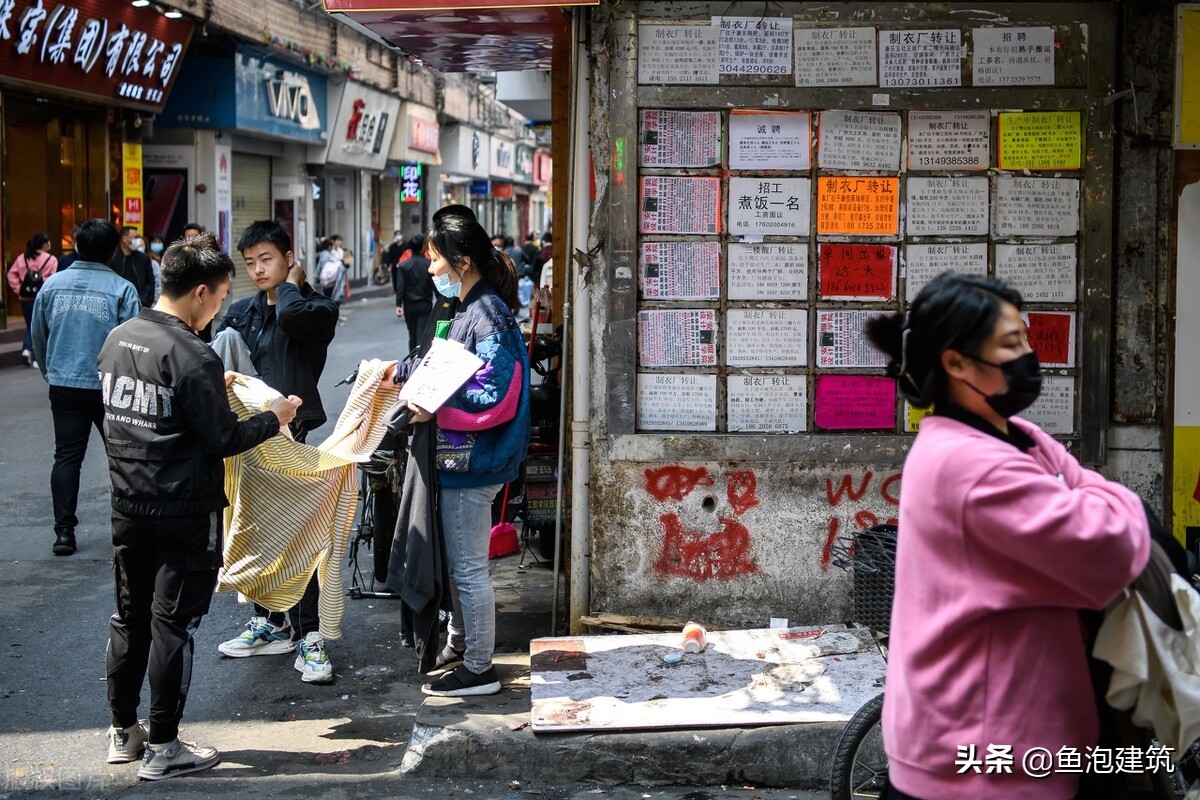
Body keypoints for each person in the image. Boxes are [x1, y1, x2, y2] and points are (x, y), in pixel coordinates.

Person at [863, 271, 1150, 800]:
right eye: (1011, 343)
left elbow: (1082, 485)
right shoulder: (974, 467)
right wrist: (1126, 504)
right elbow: (1109, 548)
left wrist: (1089, 493)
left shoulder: (1012, 437)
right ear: (956, 363)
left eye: (1027, 337)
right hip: (984, 761)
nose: (1028, 356)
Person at [98, 232, 300, 780]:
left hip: (127, 502)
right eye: (219, 298)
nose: (218, 310)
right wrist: (275, 416)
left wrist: (216, 383)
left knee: (129, 617)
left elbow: (154, 407)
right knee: (172, 626)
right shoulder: (192, 353)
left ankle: (123, 732)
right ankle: (164, 746)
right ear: (202, 293)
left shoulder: (119, 339)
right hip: (184, 511)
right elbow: (223, 439)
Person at [397, 211, 530, 698]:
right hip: (461, 460)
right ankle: (463, 644)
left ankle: (479, 669)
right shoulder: (470, 308)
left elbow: (497, 391)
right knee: (462, 564)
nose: (430, 269)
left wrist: (434, 406)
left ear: (462, 261)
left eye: (435, 260)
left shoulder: (486, 312)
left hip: (474, 464)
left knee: (470, 567)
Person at [216, 219, 340, 684]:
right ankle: (273, 623)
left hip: (292, 439)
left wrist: (289, 285)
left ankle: (310, 636)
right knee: (261, 532)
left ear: (290, 259)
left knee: (298, 536)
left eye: (266, 259)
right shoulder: (243, 312)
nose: (257, 270)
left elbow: (290, 318)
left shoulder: (315, 308)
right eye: (250, 263)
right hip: (250, 436)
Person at [30, 220, 139, 556]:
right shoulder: (123, 289)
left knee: (66, 457)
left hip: (64, 382)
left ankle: (64, 533)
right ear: (112, 250)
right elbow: (134, 344)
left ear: (77, 246)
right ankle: (131, 529)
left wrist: (51, 370)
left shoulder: (51, 286)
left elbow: (38, 336)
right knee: (124, 457)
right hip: (112, 385)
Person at [7, 232, 58, 366]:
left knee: (30, 324)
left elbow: (11, 274)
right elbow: (53, 279)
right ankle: (35, 356)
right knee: (39, 326)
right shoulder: (51, 259)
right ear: (44, 244)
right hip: (41, 297)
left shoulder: (22, 258)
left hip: (25, 298)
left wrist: (18, 289)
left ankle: (26, 350)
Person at [393, 235, 433, 355]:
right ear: (423, 247)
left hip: (409, 305)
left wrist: (399, 304)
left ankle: (412, 358)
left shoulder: (404, 265)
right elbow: (435, 285)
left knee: (412, 333)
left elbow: (400, 287)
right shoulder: (428, 264)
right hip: (425, 304)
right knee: (422, 333)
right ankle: (420, 358)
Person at [109, 226, 155, 307]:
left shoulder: (143, 258)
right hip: (117, 303)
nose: (139, 241)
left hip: (140, 304)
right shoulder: (112, 257)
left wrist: (146, 301)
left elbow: (150, 282)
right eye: (135, 238)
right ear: (124, 239)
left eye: (139, 238)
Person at [148, 235, 166, 304]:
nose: (157, 244)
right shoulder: (148, 260)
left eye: (159, 242)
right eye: (154, 242)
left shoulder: (165, 259)